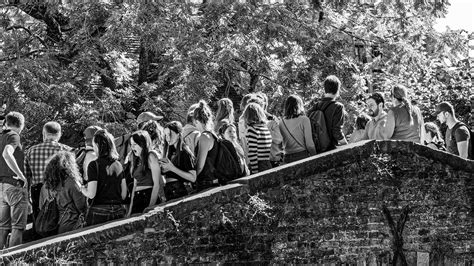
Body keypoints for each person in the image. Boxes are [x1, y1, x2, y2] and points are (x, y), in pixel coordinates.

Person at [24, 122, 71, 225]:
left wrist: (27, 197)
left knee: (39, 220)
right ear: (59, 134)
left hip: (37, 189)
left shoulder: (31, 151)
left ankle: (38, 239)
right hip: (59, 189)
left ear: (44, 133)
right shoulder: (66, 150)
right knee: (59, 219)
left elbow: (27, 176)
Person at [78, 129, 127, 226]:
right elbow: (123, 194)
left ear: (96, 145)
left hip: (99, 212)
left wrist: (82, 188)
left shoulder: (94, 165)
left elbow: (91, 194)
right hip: (118, 211)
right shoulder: (118, 165)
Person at [41, 151, 87, 234]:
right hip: (74, 225)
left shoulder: (48, 185)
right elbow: (82, 206)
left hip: (57, 226)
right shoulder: (71, 182)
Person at [0, 112, 28, 249]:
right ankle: (13, 260)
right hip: (14, 185)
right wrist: (21, 175)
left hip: (2, 187)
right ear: (21, 124)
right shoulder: (13, 136)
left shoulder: (1, 137)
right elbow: (7, 153)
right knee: (17, 226)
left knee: (3, 227)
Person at [128, 130, 164, 215]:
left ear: (142, 144)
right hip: (137, 198)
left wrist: (150, 207)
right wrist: (130, 210)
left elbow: (157, 184)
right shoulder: (136, 160)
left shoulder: (150, 156)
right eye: (131, 145)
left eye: (135, 145)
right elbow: (134, 186)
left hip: (148, 195)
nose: (132, 148)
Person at [308, 75, 348, 150]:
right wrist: (345, 144)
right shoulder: (338, 107)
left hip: (317, 148)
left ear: (324, 89)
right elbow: (336, 131)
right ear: (338, 89)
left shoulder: (315, 106)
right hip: (330, 148)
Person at [161, 121, 196, 200]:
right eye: (166, 135)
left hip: (181, 190)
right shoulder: (169, 152)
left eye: (170, 134)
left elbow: (193, 177)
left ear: (178, 134)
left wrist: (172, 168)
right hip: (169, 190)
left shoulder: (185, 152)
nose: (167, 138)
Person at [280, 95, 316, 163]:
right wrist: (315, 157)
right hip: (301, 156)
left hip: (287, 158)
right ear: (299, 106)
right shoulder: (304, 120)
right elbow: (310, 145)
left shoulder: (281, 122)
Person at [194, 100, 220, 190]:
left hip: (207, 183)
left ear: (196, 121)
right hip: (216, 180)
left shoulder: (204, 137)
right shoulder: (213, 134)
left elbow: (200, 166)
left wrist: (192, 178)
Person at [255, 92, 284, 167]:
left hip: (274, 159)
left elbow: (278, 139)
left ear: (265, 104)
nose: (258, 104)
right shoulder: (249, 121)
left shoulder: (272, 119)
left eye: (261, 102)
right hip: (258, 161)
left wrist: (265, 128)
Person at [243, 103, 273, 174]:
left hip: (259, 165)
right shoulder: (264, 128)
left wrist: (254, 172)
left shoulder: (252, 130)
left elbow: (252, 153)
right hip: (267, 163)